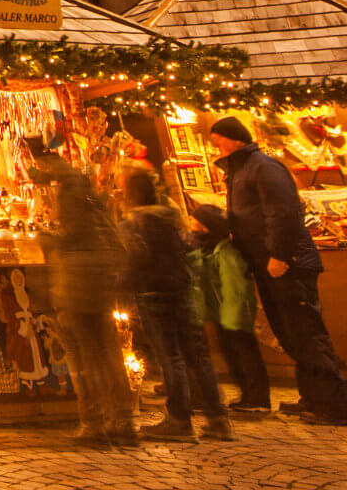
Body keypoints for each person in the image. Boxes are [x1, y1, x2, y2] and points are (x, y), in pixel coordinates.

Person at [208, 116, 347, 427]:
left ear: (232, 138)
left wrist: (281, 255)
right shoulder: (240, 170)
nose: (215, 147)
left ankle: (336, 406)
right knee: (290, 333)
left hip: (287, 265)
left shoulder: (263, 167)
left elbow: (283, 212)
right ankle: (314, 397)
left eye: (217, 140)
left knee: (306, 332)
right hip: (268, 264)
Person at [27, 140, 137, 446]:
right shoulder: (89, 192)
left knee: (83, 353)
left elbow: (71, 235)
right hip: (100, 278)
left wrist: (45, 237)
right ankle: (123, 419)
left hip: (77, 281)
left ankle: (94, 421)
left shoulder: (70, 195)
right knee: (107, 351)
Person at [120, 169, 232, 442]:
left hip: (154, 293)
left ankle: (179, 420)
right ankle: (218, 419)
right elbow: (189, 250)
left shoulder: (134, 224)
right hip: (182, 290)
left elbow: (134, 260)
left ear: (131, 195)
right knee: (198, 355)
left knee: (171, 357)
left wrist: (122, 288)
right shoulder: (172, 219)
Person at [191, 202, 271, 413]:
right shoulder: (207, 248)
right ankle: (249, 395)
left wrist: (232, 317)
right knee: (232, 354)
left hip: (232, 315)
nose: (190, 222)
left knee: (243, 353)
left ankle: (257, 397)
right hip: (222, 314)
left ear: (205, 226)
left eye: (194, 219)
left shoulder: (226, 252)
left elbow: (235, 287)